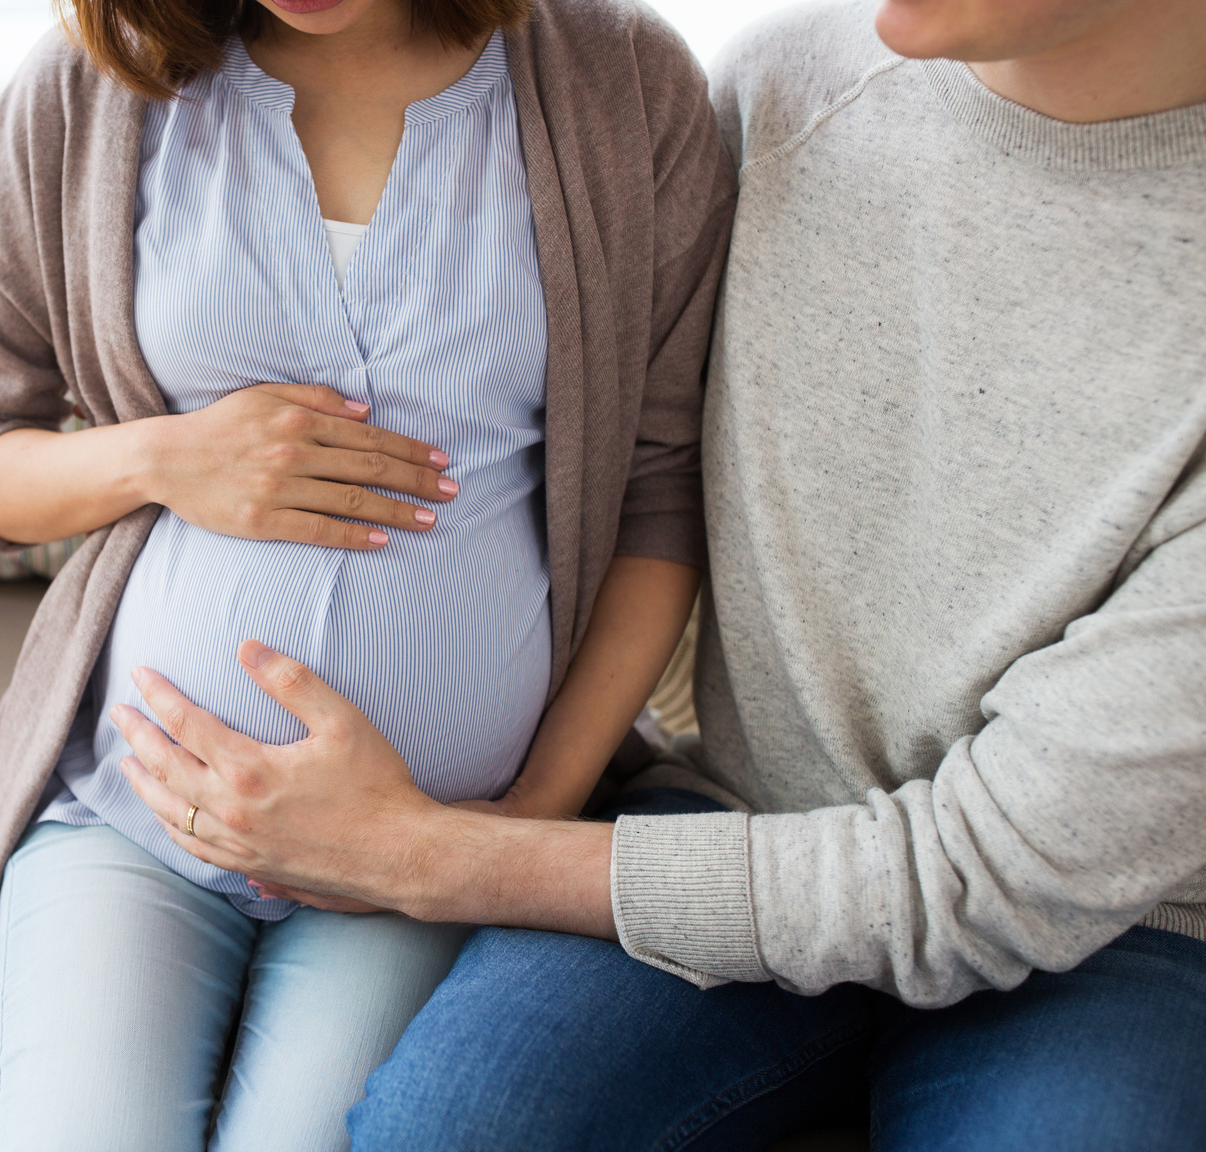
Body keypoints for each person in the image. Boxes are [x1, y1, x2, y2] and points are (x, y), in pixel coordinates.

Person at [111, 0, 1206, 1146]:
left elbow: (966, 887)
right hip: (737, 808)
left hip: (1103, 935)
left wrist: (431, 855)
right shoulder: (774, 93)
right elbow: (604, 447)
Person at [0, 0, 736, 1143]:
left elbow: (661, 491)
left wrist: (505, 837)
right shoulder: (88, 92)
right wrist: (161, 456)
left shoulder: (622, 84)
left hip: (426, 851)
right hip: (134, 814)